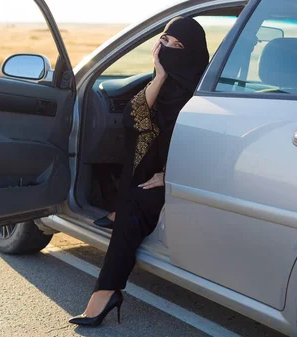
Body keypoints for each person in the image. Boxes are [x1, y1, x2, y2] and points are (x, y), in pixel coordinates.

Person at [70, 17, 209, 326]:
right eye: (165, 41)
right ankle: (107, 290)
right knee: (139, 144)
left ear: (195, 51)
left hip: (187, 177)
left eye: (178, 45)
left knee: (134, 201)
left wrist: (170, 174)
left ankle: (105, 293)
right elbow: (132, 120)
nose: (168, 50)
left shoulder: (202, 92)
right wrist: (158, 75)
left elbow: (201, 147)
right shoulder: (166, 83)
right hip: (164, 174)